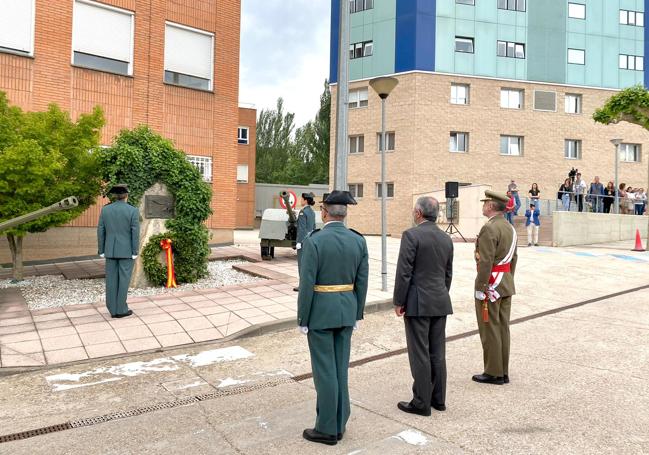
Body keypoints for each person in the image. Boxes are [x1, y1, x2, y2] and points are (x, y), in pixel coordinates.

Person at [297, 190, 369, 446]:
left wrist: (302, 318)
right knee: (340, 368)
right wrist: (358, 312)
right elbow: (362, 281)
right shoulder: (358, 241)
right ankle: (340, 421)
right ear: (345, 213)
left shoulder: (314, 241)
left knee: (325, 371)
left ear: (324, 212)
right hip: (347, 311)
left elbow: (307, 284)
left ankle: (327, 428)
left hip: (320, 313)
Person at [393, 197, 453, 416]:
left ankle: (421, 402)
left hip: (418, 302)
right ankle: (438, 399)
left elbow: (404, 272)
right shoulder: (446, 238)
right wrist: (441, 294)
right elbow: (448, 274)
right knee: (437, 352)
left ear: (418, 213)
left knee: (420, 353)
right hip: (440, 300)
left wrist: (399, 301)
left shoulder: (411, 235)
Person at [472, 190, 518, 385]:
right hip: (505, 282)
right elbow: (514, 258)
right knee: (502, 328)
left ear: (490, 206)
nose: (483, 206)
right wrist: (507, 278)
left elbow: (486, 261)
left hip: (491, 284)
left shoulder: (489, 228)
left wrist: (482, 286)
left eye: (485, 203)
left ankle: (493, 372)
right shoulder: (510, 228)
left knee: (490, 328)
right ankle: (503, 370)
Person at [97, 184, 139, 318]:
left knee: (111, 280)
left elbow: (100, 231)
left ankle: (112, 309)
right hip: (126, 251)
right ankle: (121, 309)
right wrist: (134, 251)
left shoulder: (105, 210)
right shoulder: (132, 210)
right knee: (123, 280)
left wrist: (101, 250)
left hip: (110, 250)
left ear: (115, 196)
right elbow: (135, 232)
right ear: (126, 195)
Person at [294, 192, 316, 292]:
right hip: (311, 240)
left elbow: (301, 229)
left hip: (303, 242)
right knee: (309, 264)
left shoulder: (303, 212)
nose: (301, 201)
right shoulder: (312, 212)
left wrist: (299, 242)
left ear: (305, 200)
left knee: (302, 264)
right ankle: (310, 284)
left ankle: (302, 285)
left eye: (302, 199)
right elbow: (314, 227)